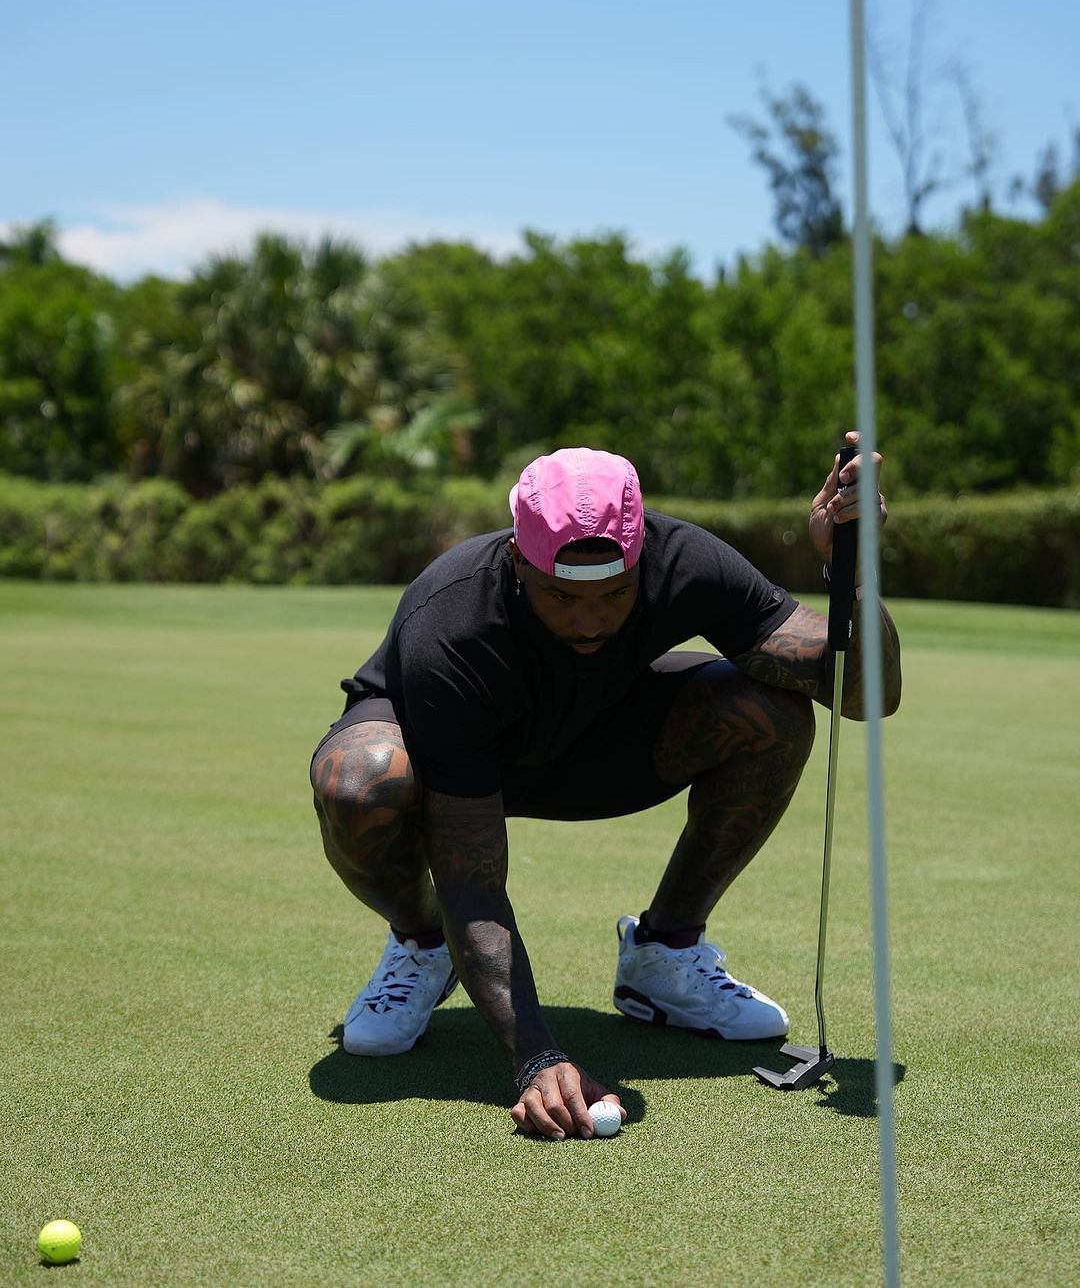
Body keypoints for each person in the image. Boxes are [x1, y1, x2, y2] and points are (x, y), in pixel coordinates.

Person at [310, 435, 901, 1140]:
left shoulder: (685, 560)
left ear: (641, 557)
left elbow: (868, 694)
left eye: (614, 596)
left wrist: (850, 571)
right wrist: (536, 1054)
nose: (588, 620)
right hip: (447, 765)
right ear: (518, 562)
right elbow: (471, 875)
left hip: (594, 747)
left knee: (770, 712)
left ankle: (664, 955)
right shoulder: (452, 620)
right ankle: (421, 945)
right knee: (360, 780)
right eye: (561, 597)